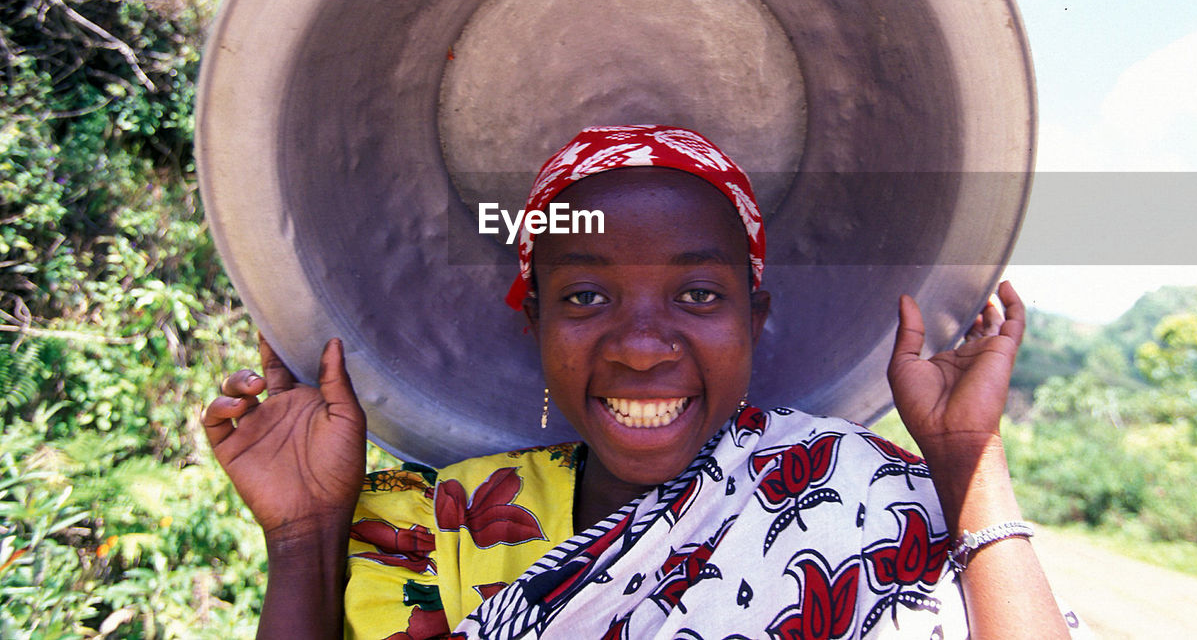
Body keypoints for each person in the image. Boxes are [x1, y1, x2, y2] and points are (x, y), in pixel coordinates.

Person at [204, 125, 1082, 639]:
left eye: (698, 294)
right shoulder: (431, 527)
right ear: (535, 323)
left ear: (755, 317)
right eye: (586, 296)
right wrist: (304, 535)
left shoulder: (856, 492)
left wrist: (970, 463)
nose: (641, 345)